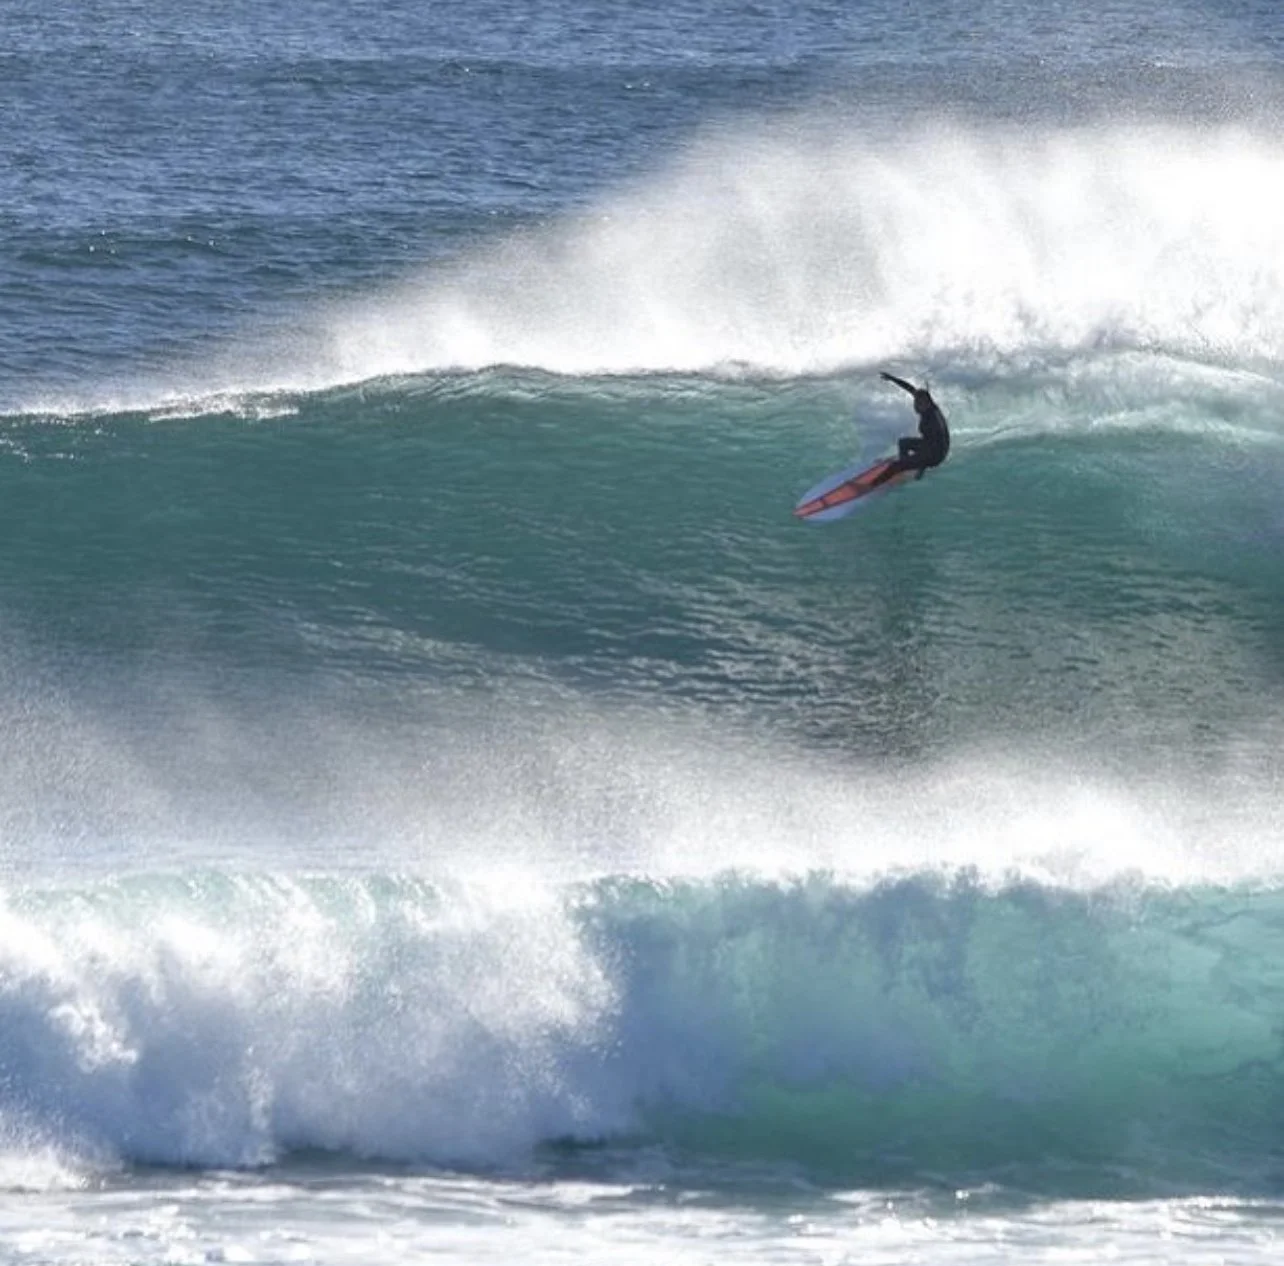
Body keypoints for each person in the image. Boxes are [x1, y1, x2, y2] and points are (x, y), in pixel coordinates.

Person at [873, 371, 950, 485]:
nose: (915, 406)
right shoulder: (927, 403)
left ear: (926, 403)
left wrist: (919, 463)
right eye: (915, 402)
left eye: (918, 404)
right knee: (903, 443)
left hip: (935, 455)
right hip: (928, 445)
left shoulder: (934, 420)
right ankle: (904, 465)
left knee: (895, 466)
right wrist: (892, 378)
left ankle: (871, 485)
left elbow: (938, 448)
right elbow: (910, 388)